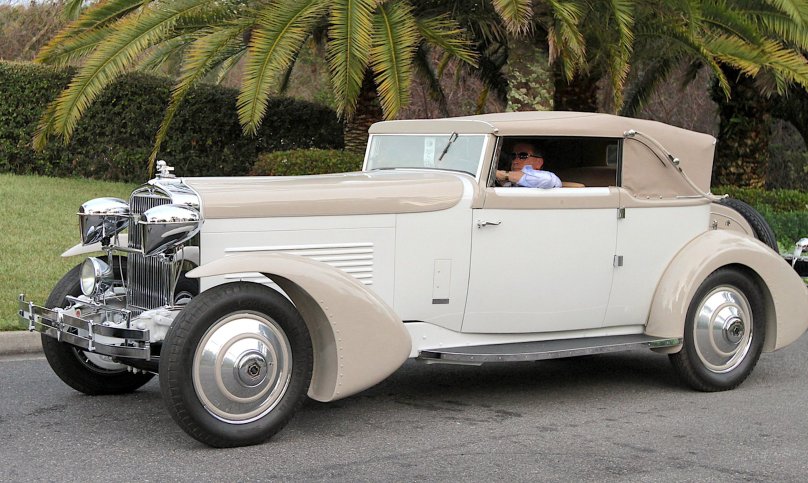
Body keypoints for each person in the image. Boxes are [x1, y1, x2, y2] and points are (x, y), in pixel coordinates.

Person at [495, 142, 562, 189]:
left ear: (539, 162)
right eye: (513, 156)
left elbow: (547, 180)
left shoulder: (548, 179)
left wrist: (505, 175)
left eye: (523, 156)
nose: (515, 161)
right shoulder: (507, 184)